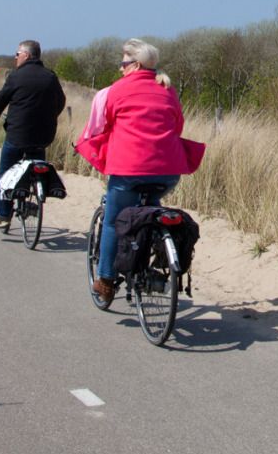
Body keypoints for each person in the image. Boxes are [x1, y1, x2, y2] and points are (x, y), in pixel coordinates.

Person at [76, 39, 205, 303]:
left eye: (123, 63)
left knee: (113, 220)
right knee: (151, 211)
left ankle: (106, 280)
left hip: (129, 170)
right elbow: (177, 126)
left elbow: (102, 126)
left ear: (135, 65)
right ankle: (151, 258)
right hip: (169, 171)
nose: (120, 68)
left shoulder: (115, 91)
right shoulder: (168, 89)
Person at [0, 40, 66, 227]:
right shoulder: (50, 77)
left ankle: (3, 215)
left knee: (5, 174)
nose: (15, 58)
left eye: (17, 54)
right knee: (37, 165)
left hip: (17, 135)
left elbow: (1, 99)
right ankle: (36, 191)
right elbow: (61, 101)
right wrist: (51, 116)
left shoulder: (16, 76)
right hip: (43, 136)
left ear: (27, 55)